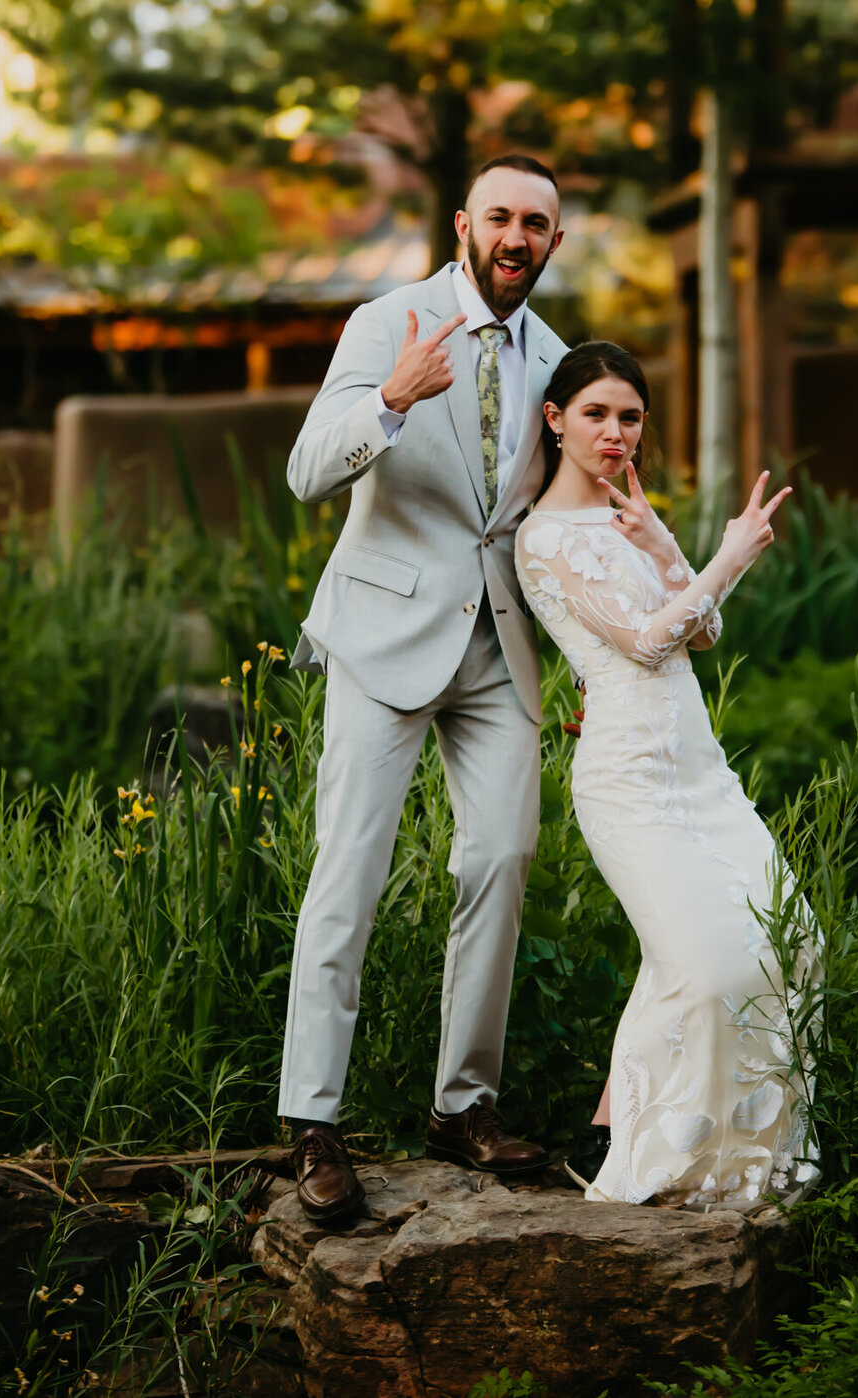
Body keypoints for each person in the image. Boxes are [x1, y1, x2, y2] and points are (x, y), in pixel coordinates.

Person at [279, 153, 567, 1223]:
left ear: (553, 242)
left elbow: (547, 514)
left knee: (502, 857)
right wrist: (391, 400)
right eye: (499, 216)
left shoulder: (557, 357)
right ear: (462, 225)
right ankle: (313, 1119)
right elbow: (307, 471)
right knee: (349, 870)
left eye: (535, 223)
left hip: (500, 644)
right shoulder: (384, 321)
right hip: (384, 631)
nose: (515, 237)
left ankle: (463, 1105)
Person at [515, 342, 819, 1210]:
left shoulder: (630, 516)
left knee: (792, 939)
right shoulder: (542, 538)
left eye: (631, 416)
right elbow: (648, 642)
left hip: (699, 768)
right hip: (630, 776)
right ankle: (656, 1150)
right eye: (597, 414)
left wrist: (664, 543)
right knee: (703, 964)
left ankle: (641, 1136)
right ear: (556, 420)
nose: (616, 432)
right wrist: (730, 556)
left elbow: (704, 634)